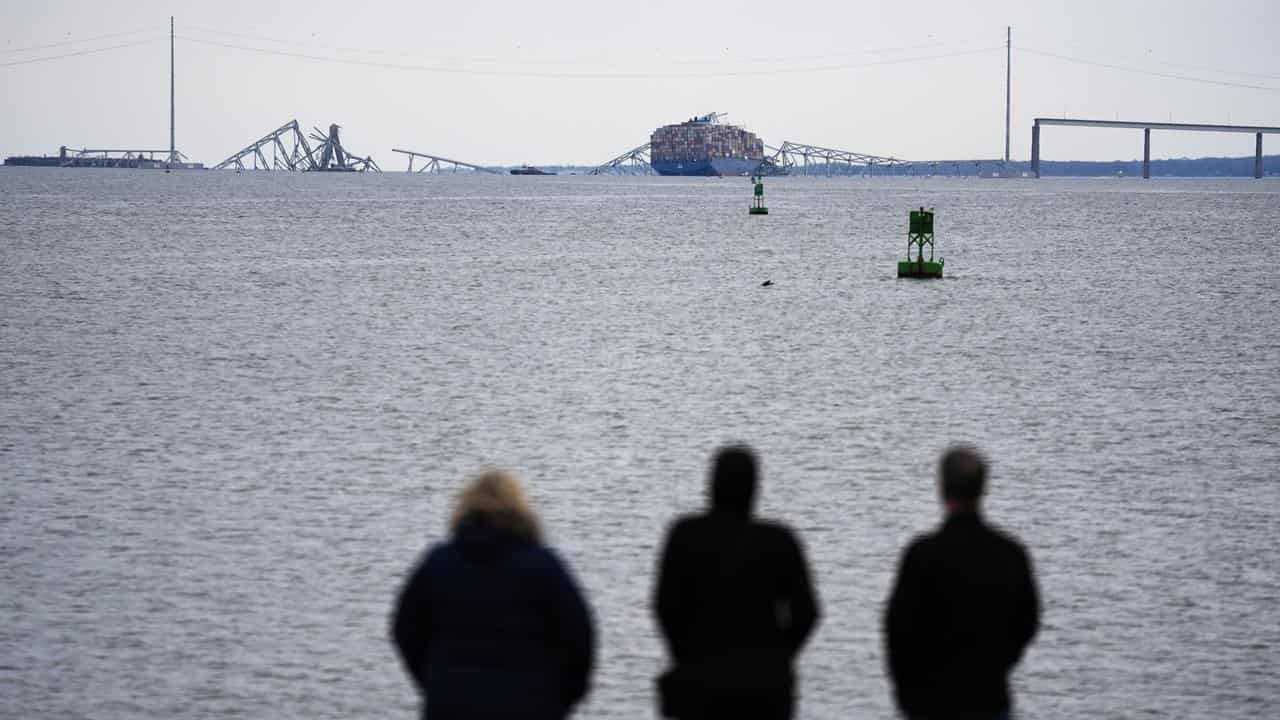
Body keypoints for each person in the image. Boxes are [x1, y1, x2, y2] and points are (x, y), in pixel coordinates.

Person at [392, 469, 595, 720]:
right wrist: (562, 697)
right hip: (529, 705)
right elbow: (580, 635)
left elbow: (404, 629)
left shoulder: (438, 562)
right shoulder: (543, 565)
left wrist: (435, 682)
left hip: (452, 704)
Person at [653, 445, 820, 720]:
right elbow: (808, 613)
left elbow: (665, 607)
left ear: (712, 485)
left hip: (700, 681)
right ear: (754, 488)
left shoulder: (686, 536)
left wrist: (685, 655)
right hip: (764, 688)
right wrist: (777, 658)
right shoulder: (779, 540)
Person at [884, 447, 1040, 720]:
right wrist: (1000, 662)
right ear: (983, 488)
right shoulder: (1009, 553)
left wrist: (906, 693)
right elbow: (1028, 621)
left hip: (931, 701)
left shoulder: (923, 554)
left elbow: (897, 630)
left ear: (942, 488)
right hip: (990, 697)